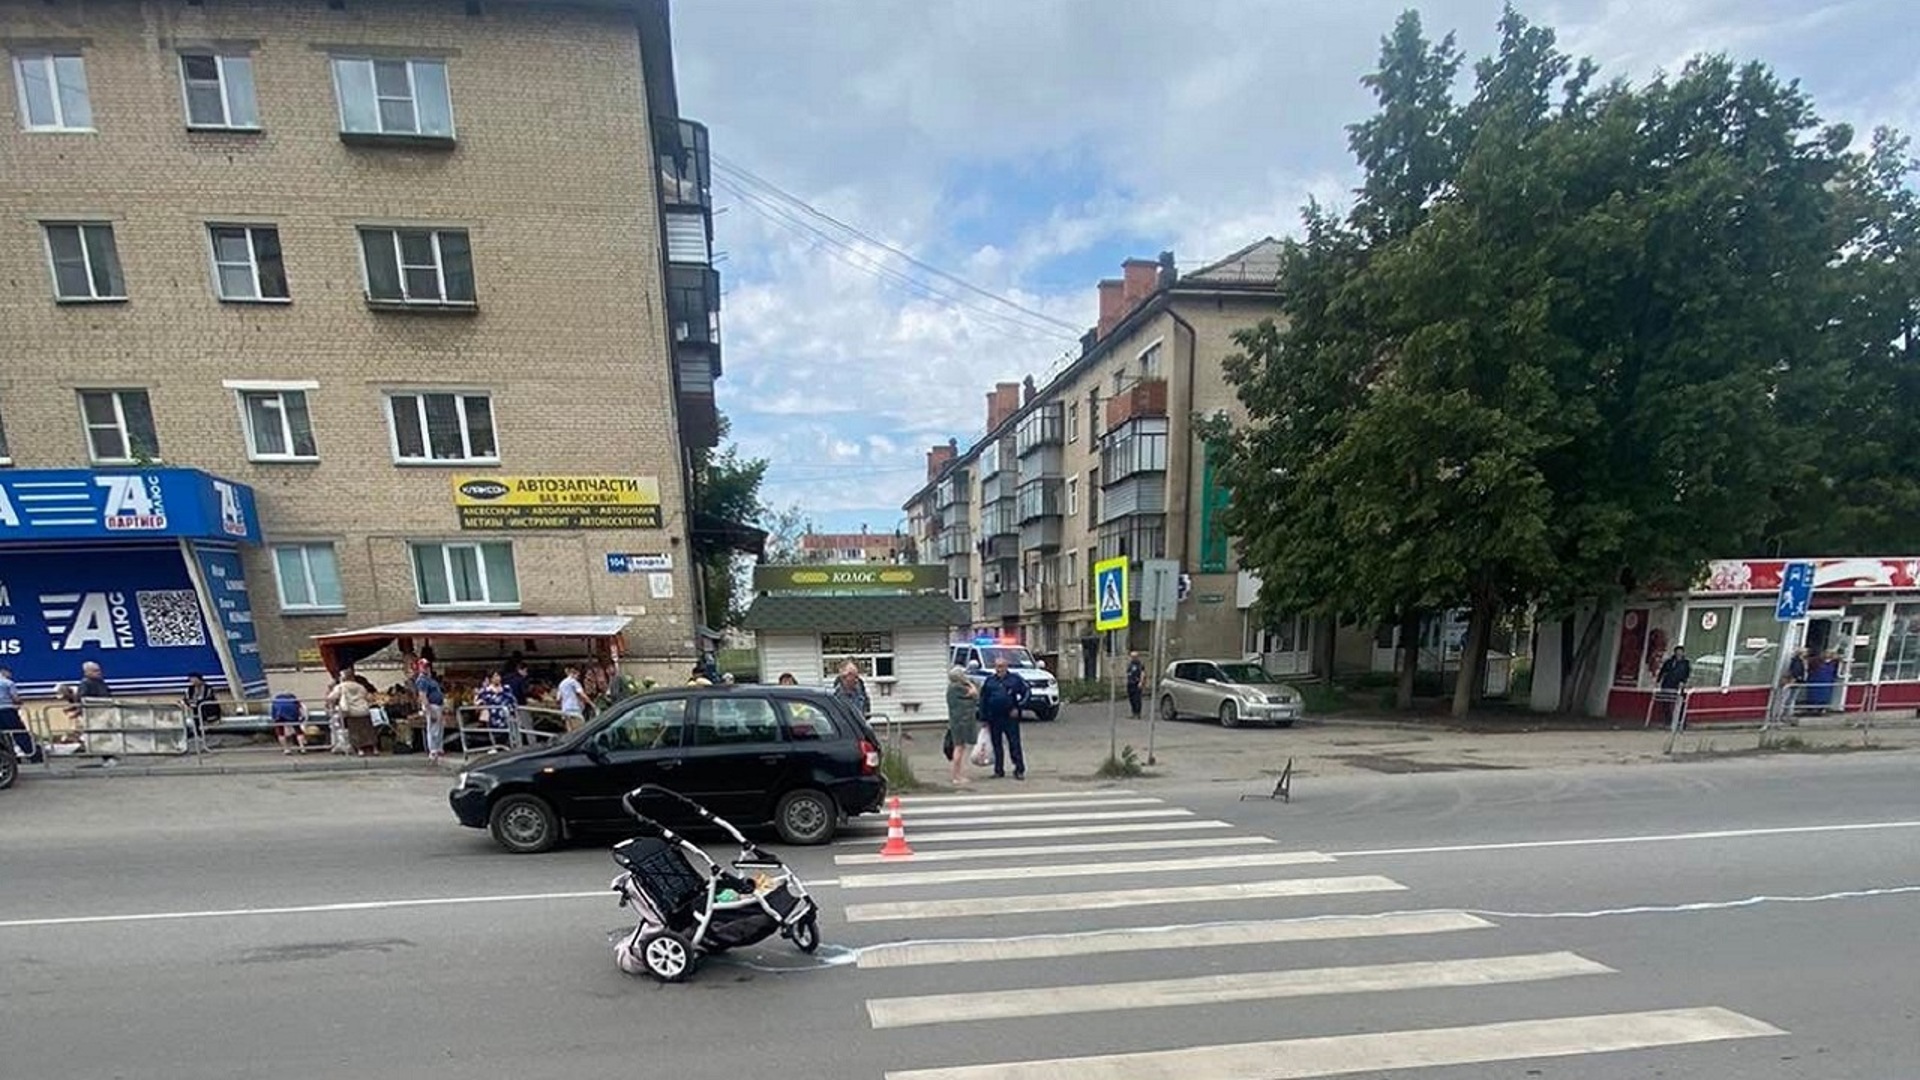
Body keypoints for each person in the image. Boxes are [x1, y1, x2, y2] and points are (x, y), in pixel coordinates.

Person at [978, 656, 1031, 780]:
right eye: (997, 666)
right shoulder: (990, 681)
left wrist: (1018, 708)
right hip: (994, 717)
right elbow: (983, 699)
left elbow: (1027, 692)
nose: (999, 669)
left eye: (1001, 666)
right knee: (996, 745)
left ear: (1006, 667)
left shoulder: (1014, 679)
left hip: (1010, 717)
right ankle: (998, 770)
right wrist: (984, 718)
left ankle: (1019, 769)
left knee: (1014, 743)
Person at [326, 666, 377, 757]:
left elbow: (331, 697)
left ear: (343, 677)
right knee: (368, 730)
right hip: (364, 710)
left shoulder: (341, 687)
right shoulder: (360, 686)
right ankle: (374, 748)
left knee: (355, 731)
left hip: (351, 711)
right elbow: (368, 697)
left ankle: (360, 750)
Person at [944, 666, 980, 787]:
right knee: (959, 748)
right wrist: (969, 683)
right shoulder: (958, 688)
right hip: (961, 722)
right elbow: (975, 694)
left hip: (955, 721)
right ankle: (956, 776)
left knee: (959, 747)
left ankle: (957, 775)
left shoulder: (951, 688)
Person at [0, 664, 40, 764]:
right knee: (20, 733)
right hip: (8, 711)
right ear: (3, 672)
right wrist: (20, 702)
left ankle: (10, 759)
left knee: (3, 737)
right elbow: (15, 699)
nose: (10, 674)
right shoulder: (8, 683)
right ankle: (34, 756)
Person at [475, 672, 519, 745]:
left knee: (509, 733)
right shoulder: (486, 690)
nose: (497, 678)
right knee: (495, 734)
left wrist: (513, 709)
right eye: (495, 676)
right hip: (493, 716)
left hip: (507, 715)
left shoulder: (506, 688)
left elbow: (513, 699)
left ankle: (509, 745)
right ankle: (495, 746)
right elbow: (479, 701)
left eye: (498, 676)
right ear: (491, 679)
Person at [415, 664, 447, 760]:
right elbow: (423, 696)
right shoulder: (422, 680)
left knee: (439, 728)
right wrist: (429, 709)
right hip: (432, 706)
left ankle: (438, 749)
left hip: (438, 706)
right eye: (424, 667)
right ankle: (433, 750)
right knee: (433, 729)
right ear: (420, 668)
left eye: (427, 666)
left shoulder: (430, 679)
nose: (427, 668)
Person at [1656, 645, 1692, 727]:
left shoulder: (1685, 663)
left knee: (1680, 703)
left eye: (1680, 652)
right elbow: (1662, 671)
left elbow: (1687, 674)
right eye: (1677, 652)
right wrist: (1658, 681)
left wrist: (1684, 682)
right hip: (1667, 684)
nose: (1679, 653)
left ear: (1683, 653)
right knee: (1666, 703)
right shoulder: (1669, 662)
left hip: (1679, 685)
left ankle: (1681, 721)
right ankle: (1668, 720)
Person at [182, 672, 219, 749]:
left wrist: (197, 702)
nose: (192, 681)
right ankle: (196, 734)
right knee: (194, 712)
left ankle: (200, 732)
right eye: (191, 680)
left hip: (206, 708)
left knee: (199, 708)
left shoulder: (208, 688)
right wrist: (190, 703)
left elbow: (209, 698)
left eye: (194, 679)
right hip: (193, 707)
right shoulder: (190, 689)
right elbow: (186, 698)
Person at [269, 691, 308, 755]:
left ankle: (286, 749)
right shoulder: (293, 699)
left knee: (280, 732)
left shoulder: (276, 699)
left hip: (279, 713)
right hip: (292, 712)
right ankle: (302, 748)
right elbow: (300, 709)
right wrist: (300, 719)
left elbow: (273, 711)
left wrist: (274, 719)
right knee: (298, 730)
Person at [555, 665, 588, 730]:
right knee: (580, 731)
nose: (578, 677)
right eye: (578, 675)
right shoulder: (574, 682)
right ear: (574, 673)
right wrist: (592, 704)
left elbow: (558, 699)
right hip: (574, 710)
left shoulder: (561, 684)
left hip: (565, 711)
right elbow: (582, 694)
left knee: (570, 732)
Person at [1126, 651, 1146, 719]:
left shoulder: (1140, 664)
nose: (1133, 658)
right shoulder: (1130, 664)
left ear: (1137, 657)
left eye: (1134, 657)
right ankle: (1133, 712)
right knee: (1131, 699)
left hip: (1136, 683)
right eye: (1132, 656)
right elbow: (1128, 672)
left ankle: (1138, 713)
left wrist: (1141, 682)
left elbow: (1142, 673)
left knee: (1137, 699)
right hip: (1130, 683)